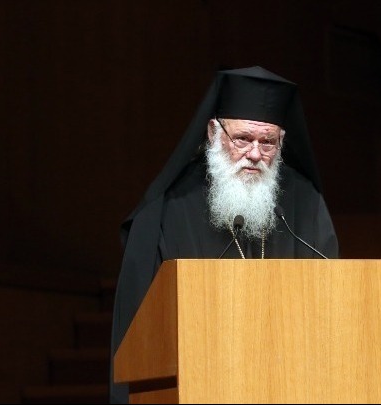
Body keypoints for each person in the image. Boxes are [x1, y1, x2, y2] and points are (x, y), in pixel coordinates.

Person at [109, 66, 339, 403]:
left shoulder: (304, 202)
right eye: (243, 139)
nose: (256, 154)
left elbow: (333, 304)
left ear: (282, 141)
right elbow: (140, 328)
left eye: (268, 142)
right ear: (213, 132)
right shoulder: (168, 209)